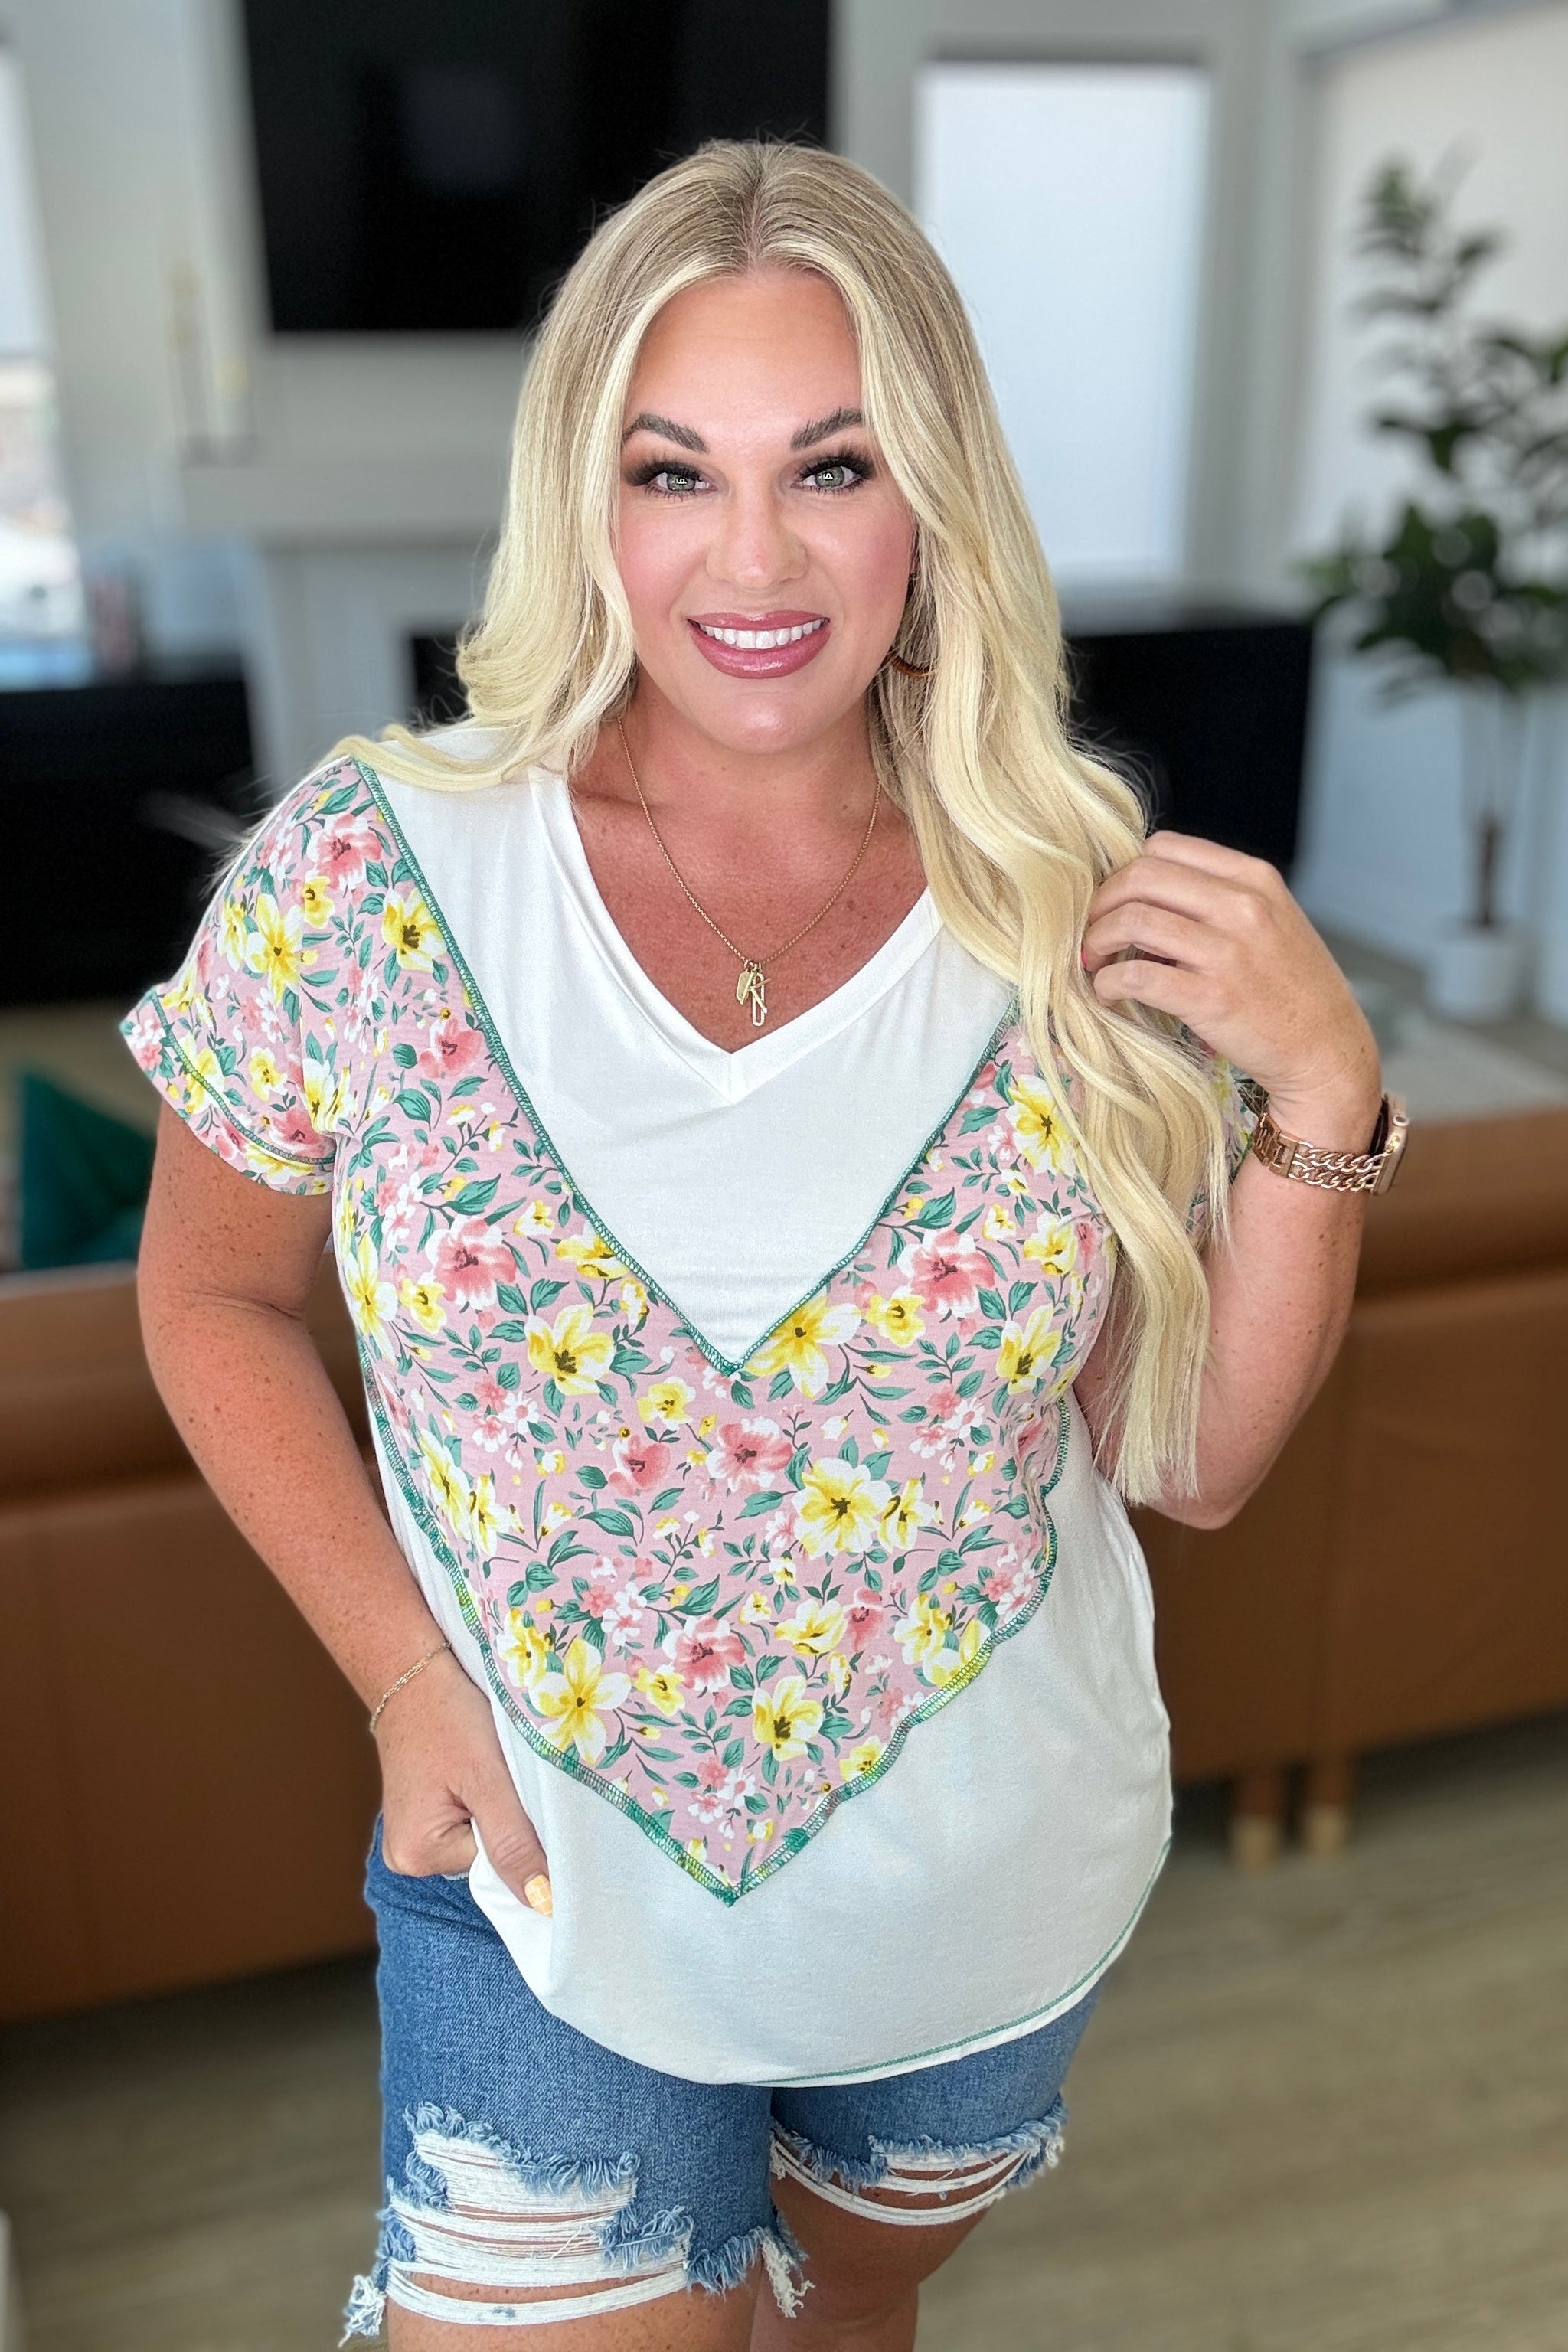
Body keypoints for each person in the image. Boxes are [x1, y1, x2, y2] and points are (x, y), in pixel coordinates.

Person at [127, 141, 1396, 2351]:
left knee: (844, 2331)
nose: (752, 557)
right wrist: (406, 1677)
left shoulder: (1065, 898)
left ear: (932, 498)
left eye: (832, 465)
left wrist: (1323, 1099)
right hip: (532, 1881)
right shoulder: (374, 872)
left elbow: (1184, 1463)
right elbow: (210, 1290)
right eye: (672, 470)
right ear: (585, 498)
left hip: (982, 1894)